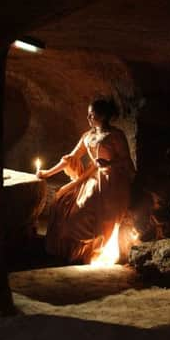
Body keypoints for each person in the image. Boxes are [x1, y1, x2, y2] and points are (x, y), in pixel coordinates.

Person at [36, 97, 136, 264]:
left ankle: (89, 251)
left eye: (92, 115)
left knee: (82, 211)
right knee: (62, 200)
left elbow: (127, 161)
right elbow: (71, 158)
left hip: (111, 181)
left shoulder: (115, 135)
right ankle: (73, 252)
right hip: (93, 178)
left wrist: (109, 163)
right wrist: (47, 173)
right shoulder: (88, 136)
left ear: (103, 116)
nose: (88, 118)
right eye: (88, 115)